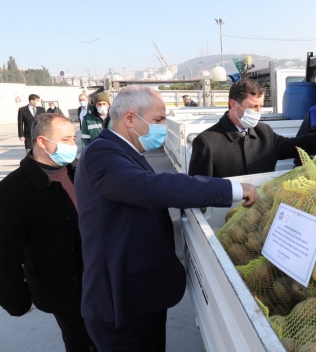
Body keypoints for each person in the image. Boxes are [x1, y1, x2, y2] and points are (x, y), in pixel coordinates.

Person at [74, 85, 259, 351]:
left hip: (139, 296)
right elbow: (155, 187)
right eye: (158, 120)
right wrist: (232, 189)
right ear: (129, 119)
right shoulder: (101, 154)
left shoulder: (123, 151)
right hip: (120, 304)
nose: (162, 127)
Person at [0, 113, 96, 352]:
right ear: (42, 142)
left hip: (99, 279)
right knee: (81, 341)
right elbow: (5, 254)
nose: (73, 145)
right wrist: (15, 299)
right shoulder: (10, 191)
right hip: (63, 291)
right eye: (66, 139)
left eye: (74, 139)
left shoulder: (80, 173)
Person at [188, 78, 316, 178]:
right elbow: (199, 189)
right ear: (233, 105)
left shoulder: (264, 132)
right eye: (253, 106)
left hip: (260, 213)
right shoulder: (207, 142)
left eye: (261, 106)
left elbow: (291, 146)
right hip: (223, 218)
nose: (258, 112)